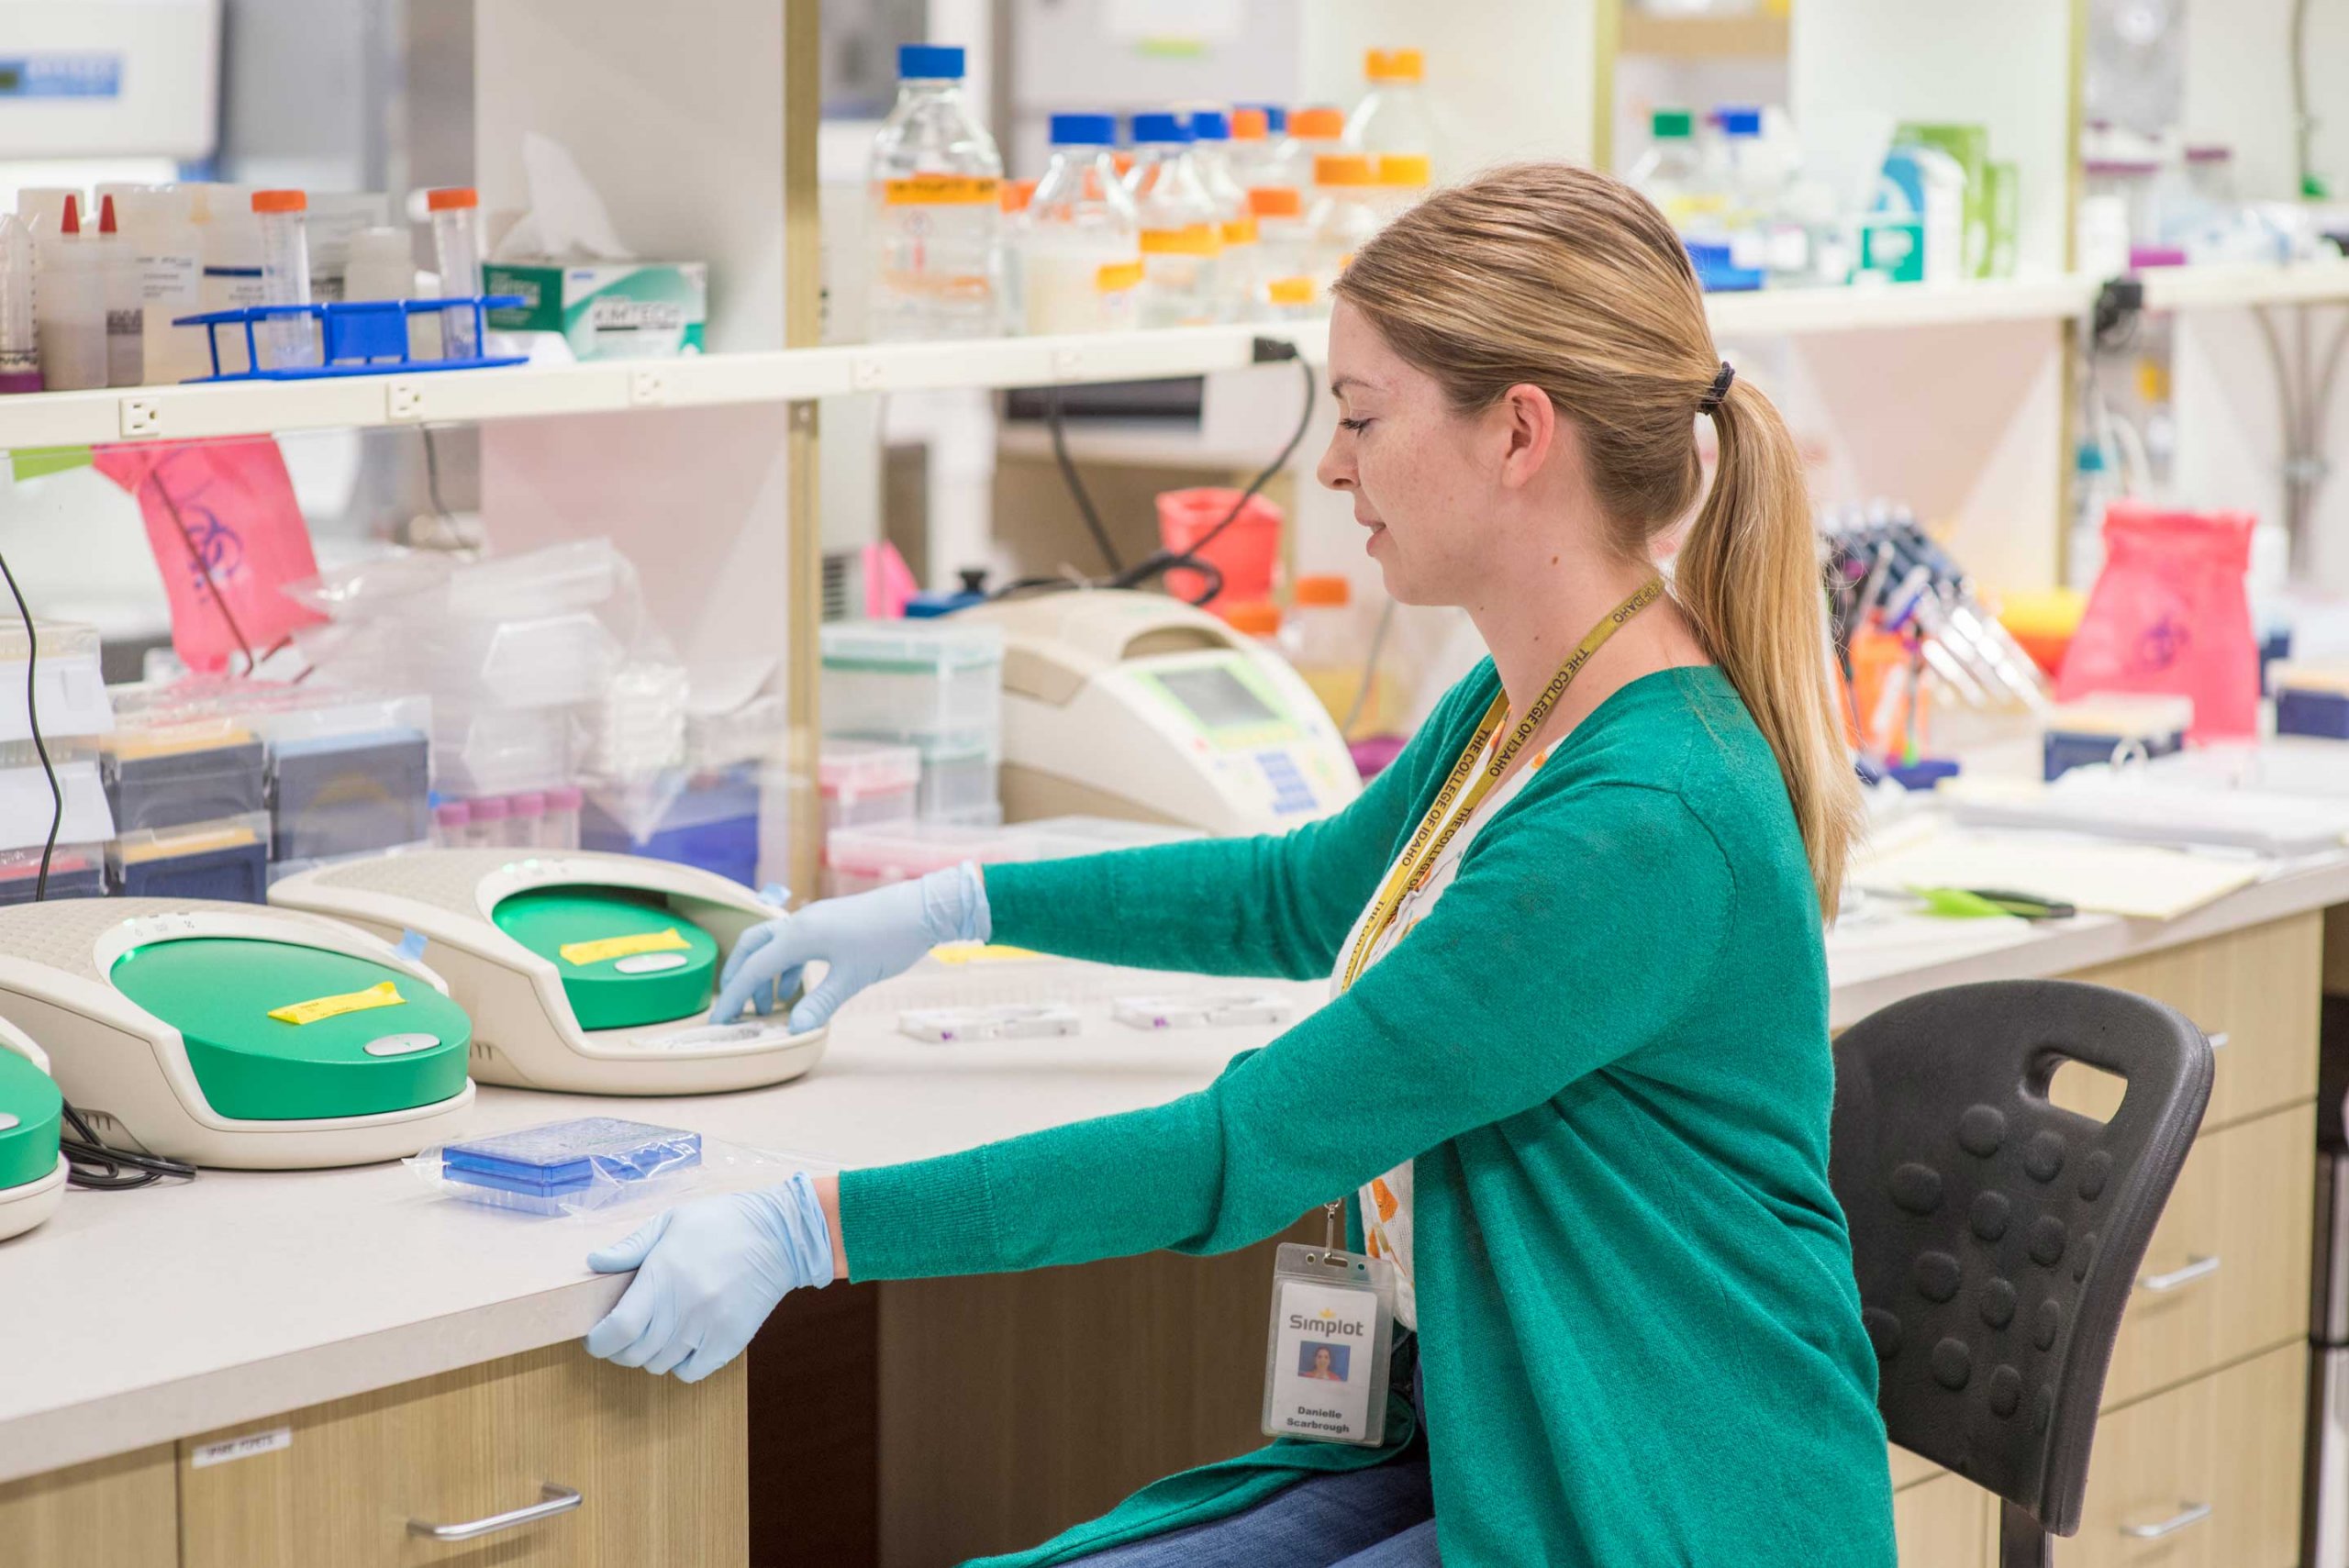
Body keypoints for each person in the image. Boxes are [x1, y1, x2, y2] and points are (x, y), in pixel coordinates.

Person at [581, 161, 1898, 1567]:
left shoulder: (1640, 817)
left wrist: (812, 1226)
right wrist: (962, 903)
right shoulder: (1538, 693)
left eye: (1361, 416)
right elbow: (1297, 895)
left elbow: (1234, 1149)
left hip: (1662, 1494)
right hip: (1503, 1422)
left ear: (1520, 434)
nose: (1330, 465)